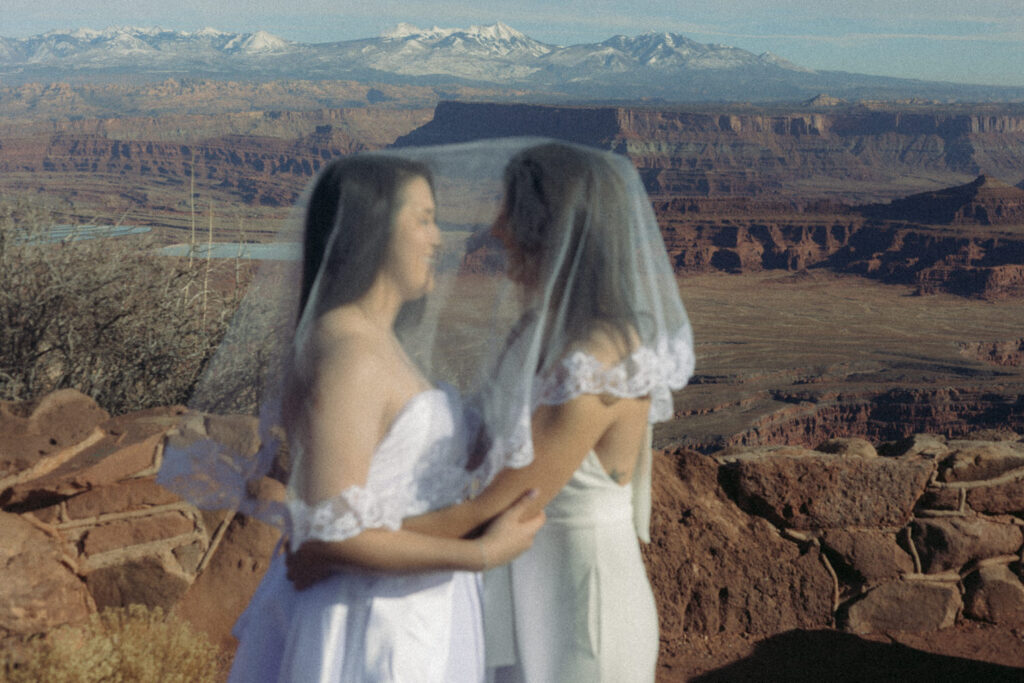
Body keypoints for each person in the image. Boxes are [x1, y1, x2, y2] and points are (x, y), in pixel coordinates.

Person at [160, 153, 543, 682]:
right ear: (372, 229)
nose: (439, 239)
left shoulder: (376, 340)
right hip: (369, 621)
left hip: (412, 609)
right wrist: (479, 553)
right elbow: (331, 534)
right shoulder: (350, 353)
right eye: (424, 219)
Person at [403, 141, 695, 682]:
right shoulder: (532, 333)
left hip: (584, 608)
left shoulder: (601, 360)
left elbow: (497, 502)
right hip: (524, 590)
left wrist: (357, 543)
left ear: (554, 227)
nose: (496, 229)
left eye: (510, 211)